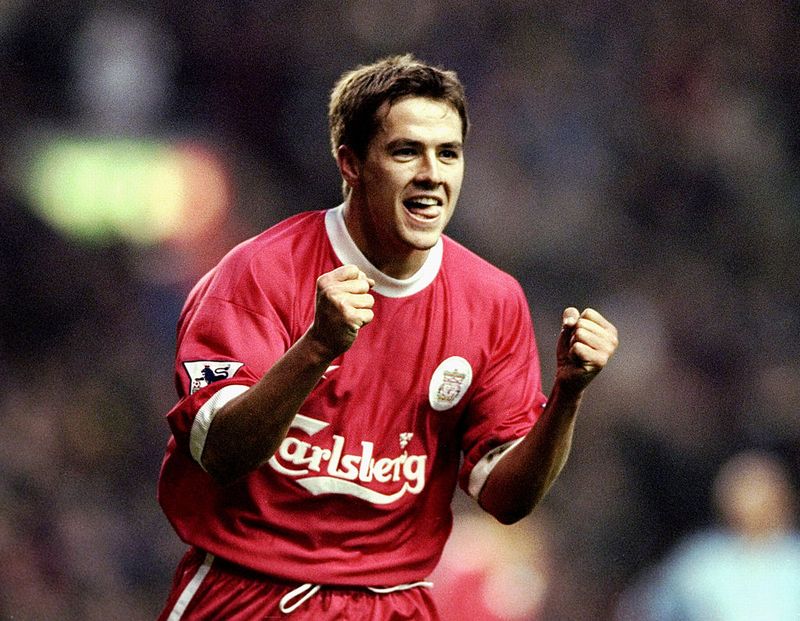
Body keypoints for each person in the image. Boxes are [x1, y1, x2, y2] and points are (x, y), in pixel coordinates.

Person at [156, 53, 618, 620]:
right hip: (249, 594)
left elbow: (506, 499)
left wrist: (567, 395)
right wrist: (316, 347)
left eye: (448, 153)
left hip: (393, 602)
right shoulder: (257, 274)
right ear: (351, 163)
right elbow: (221, 453)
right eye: (406, 152)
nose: (432, 174)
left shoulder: (493, 301)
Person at [615, 449, 800, 621]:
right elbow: (645, 605)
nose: (753, 502)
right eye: (744, 490)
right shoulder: (702, 560)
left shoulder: (794, 558)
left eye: (761, 489)